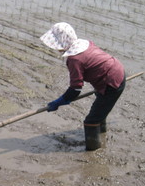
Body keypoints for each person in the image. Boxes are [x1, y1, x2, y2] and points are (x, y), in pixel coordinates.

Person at [40, 22, 126, 151]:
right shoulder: (84, 44)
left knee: (91, 121)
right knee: (99, 112)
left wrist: (60, 101)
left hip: (111, 83)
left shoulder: (74, 59)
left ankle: (93, 151)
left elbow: (76, 88)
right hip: (116, 70)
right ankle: (102, 135)